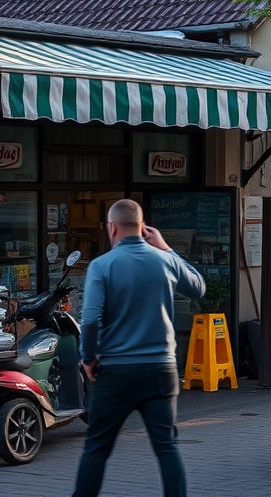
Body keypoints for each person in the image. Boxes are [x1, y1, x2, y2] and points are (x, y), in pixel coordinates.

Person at [73, 199, 207, 497]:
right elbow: (198, 287)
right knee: (167, 447)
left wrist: (88, 358)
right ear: (143, 227)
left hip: (115, 373)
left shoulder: (101, 266)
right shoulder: (166, 261)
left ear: (112, 227)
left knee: (96, 448)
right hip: (161, 371)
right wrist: (166, 247)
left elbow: (91, 318)